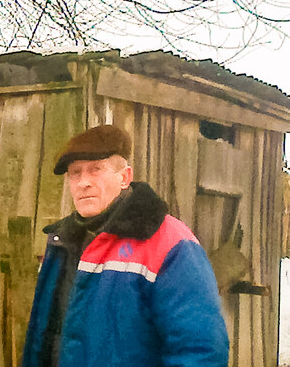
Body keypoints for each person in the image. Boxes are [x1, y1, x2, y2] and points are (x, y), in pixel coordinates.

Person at [22, 124, 229, 366]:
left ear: (124, 177)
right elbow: (45, 338)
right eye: (75, 173)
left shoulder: (171, 244)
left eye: (95, 169)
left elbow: (200, 350)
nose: (83, 182)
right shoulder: (61, 241)